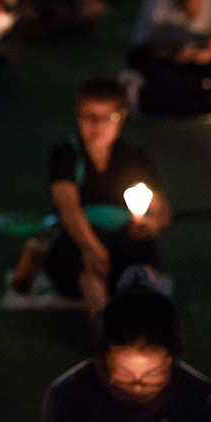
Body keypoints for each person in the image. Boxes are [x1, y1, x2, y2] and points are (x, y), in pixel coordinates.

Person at [38, 269, 211, 422]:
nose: (138, 386)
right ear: (104, 356)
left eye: (152, 375)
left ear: (173, 357)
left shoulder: (201, 399)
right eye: (124, 374)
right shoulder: (70, 396)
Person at [41, 79, 171, 315]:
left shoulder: (135, 158)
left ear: (120, 117)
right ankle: (102, 332)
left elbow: (161, 211)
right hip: (78, 247)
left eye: (106, 117)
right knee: (88, 259)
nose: (97, 125)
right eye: (89, 117)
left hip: (124, 246)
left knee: (136, 251)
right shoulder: (67, 155)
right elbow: (69, 208)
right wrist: (91, 247)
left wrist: (151, 224)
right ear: (78, 116)